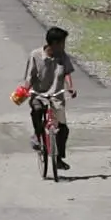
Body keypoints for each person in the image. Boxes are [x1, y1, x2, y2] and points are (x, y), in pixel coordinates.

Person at [23, 26, 76, 169]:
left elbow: (66, 72)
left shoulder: (62, 56)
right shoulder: (35, 55)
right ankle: (37, 135)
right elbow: (30, 76)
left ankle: (58, 158)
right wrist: (24, 91)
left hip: (56, 95)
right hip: (39, 93)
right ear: (53, 43)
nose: (63, 46)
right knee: (37, 108)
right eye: (62, 43)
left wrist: (70, 87)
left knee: (63, 129)